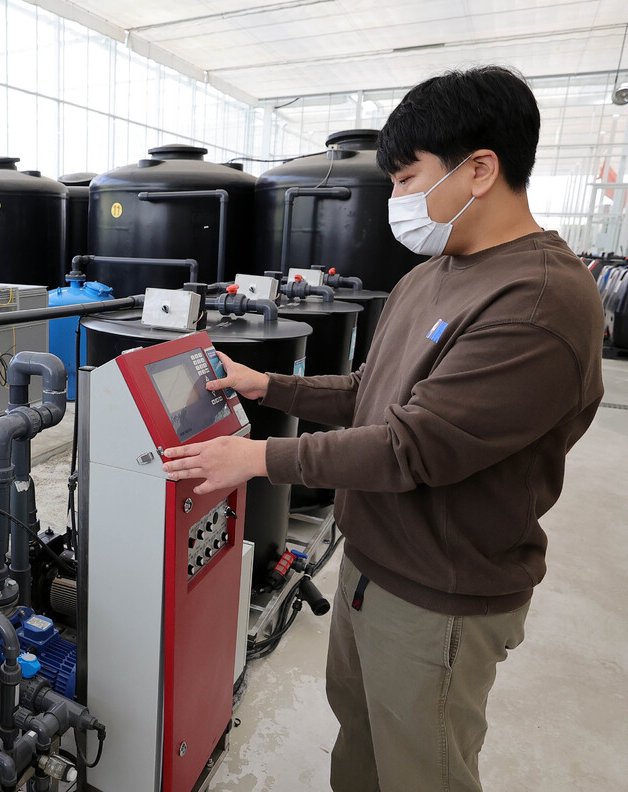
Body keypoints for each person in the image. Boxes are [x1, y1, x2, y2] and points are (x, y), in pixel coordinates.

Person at [160, 66, 604, 792]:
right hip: (371, 566)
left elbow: (412, 445)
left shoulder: (540, 303)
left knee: (420, 769)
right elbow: (373, 394)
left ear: (481, 169)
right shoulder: (431, 274)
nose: (397, 201)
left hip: (439, 599)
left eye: (406, 179)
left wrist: (260, 456)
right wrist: (269, 385)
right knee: (362, 749)